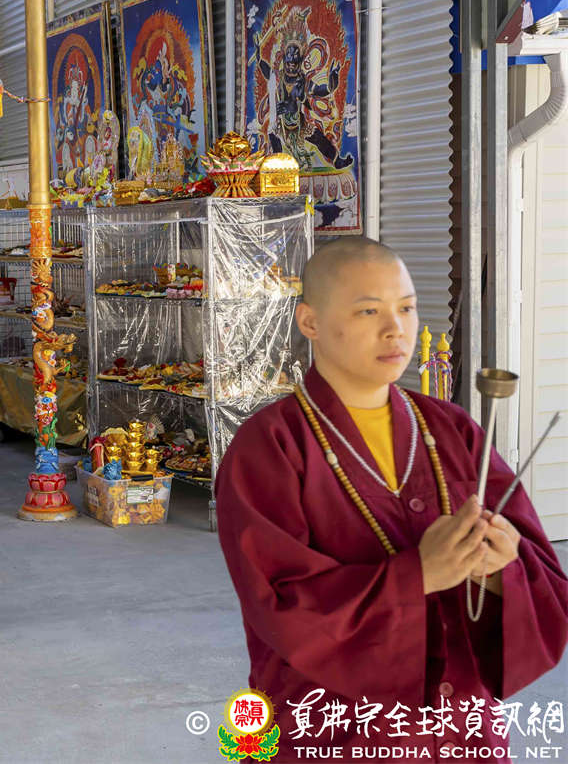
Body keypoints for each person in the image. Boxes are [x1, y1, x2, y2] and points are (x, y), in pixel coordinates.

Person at [215, 237, 568, 761]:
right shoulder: (270, 447)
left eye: (406, 308)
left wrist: (499, 567)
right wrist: (418, 575)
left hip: (461, 729)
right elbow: (281, 605)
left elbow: (542, 573)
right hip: (337, 733)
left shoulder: (453, 431)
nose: (395, 329)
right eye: (368, 311)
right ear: (310, 322)